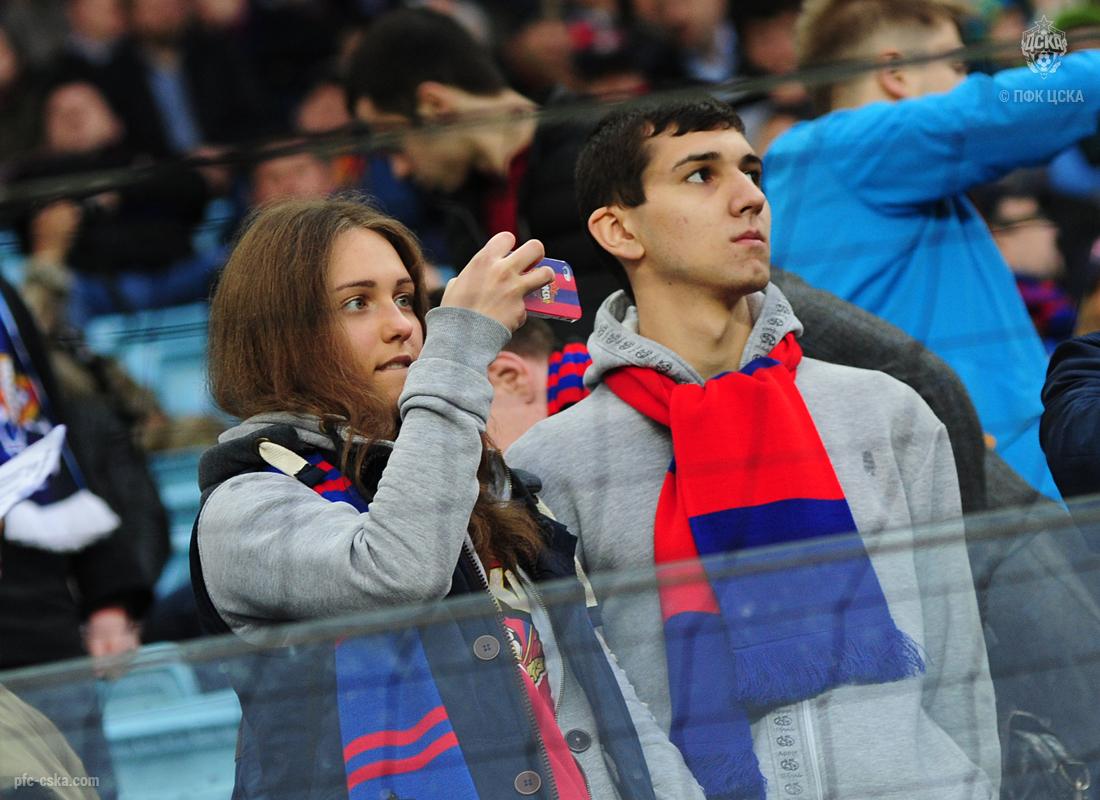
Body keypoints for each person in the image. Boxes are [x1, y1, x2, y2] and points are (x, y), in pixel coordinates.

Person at [507, 98, 1000, 799]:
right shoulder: (555, 464)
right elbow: (577, 711)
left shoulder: (885, 412)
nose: (749, 198)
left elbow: (959, 666)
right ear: (619, 229)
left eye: (751, 172)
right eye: (701, 176)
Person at [192, 197, 705, 800]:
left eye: (406, 298)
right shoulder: (242, 507)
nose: (403, 326)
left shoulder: (476, 475)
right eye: (357, 303)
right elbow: (400, 568)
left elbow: (601, 693)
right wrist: (460, 343)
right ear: (277, 337)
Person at [763, 0, 1100, 500]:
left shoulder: (852, 173)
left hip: (984, 481)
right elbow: (1003, 109)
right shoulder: (840, 149)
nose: (970, 83)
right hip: (984, 493)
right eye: (957, 66)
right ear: (896, 73)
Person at [346, 7, 612, 337]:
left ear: (434, 104)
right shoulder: (459, 206)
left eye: (394, 141)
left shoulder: (600, 151)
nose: (398, 170)